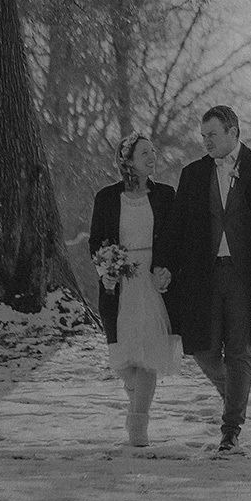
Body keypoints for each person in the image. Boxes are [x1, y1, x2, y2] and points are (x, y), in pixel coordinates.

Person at [165, 104, 251, 453]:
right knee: (202, 347)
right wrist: (166, 265)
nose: (206, 142)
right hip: (203, 276)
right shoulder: (192, 174)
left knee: (239, 349)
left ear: (233, 132)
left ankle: (230, 430)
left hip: (244, 276)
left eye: (213, 135)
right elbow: (178, 227)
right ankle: (235, 394)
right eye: (203, 136)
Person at [88, 134, 180, 447]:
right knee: (125, 361)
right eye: (144, 153)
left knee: (149, 357)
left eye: (153, 151)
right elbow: (96, 241)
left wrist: (166, 268)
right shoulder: (107, 197)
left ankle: (137, 425)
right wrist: (106, 271)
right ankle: (136, 402)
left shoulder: (166, 195)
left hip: (153, 284)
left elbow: (174, 237)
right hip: (120, 285)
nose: (152, 157)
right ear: (127, 160)